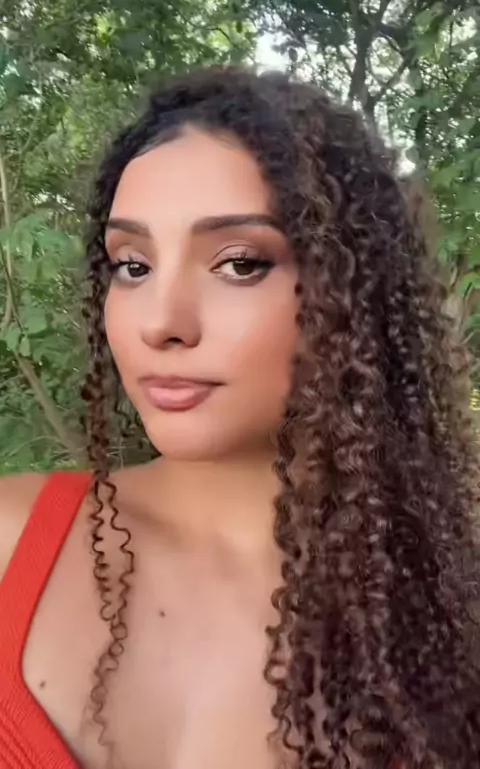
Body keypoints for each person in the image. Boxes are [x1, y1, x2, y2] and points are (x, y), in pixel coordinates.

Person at [0, 65, 479, 769]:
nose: (161, 322)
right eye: (132, 266)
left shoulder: (449, 614)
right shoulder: (10, 542)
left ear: (355, 296)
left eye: (239, 263)